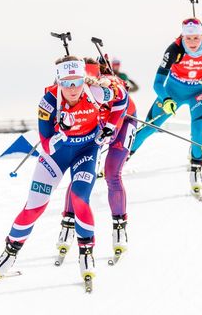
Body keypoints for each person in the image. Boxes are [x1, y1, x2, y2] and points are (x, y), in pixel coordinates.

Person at [0, 56, 128, 289]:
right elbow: (44, 144)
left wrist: (111, 127)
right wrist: (61, 132)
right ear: (58, 81)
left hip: (86, 151)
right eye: (66, 83)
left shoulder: (96, 92)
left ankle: (86, 254)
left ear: (84, 79)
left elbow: (122, 100)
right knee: (35, 207)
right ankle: (9, 253)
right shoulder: (49, 101)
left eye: (76, 82)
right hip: (55, 156)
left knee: (79, 198)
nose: (72, 89)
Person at [129, 17, 202, 198]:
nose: (193, 42)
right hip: (174, 91)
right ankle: (121, 159)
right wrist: (166, 99)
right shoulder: (174, 49)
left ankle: (196, 169)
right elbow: (157, 83)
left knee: (197, 129)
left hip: (200, 93)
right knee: (149, 127)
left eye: (196, 38)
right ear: (183, 37)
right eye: (189, 38)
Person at [54, 57, 137, 266]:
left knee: (112, 173)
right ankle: (68, 222)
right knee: (81, 171)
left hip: (124, 121)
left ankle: (119, 228)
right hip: (100, 127)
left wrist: (109, 128)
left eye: (90, 82)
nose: (79, 89)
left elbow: (122, 104)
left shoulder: (109, 86)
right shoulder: (72, 89)